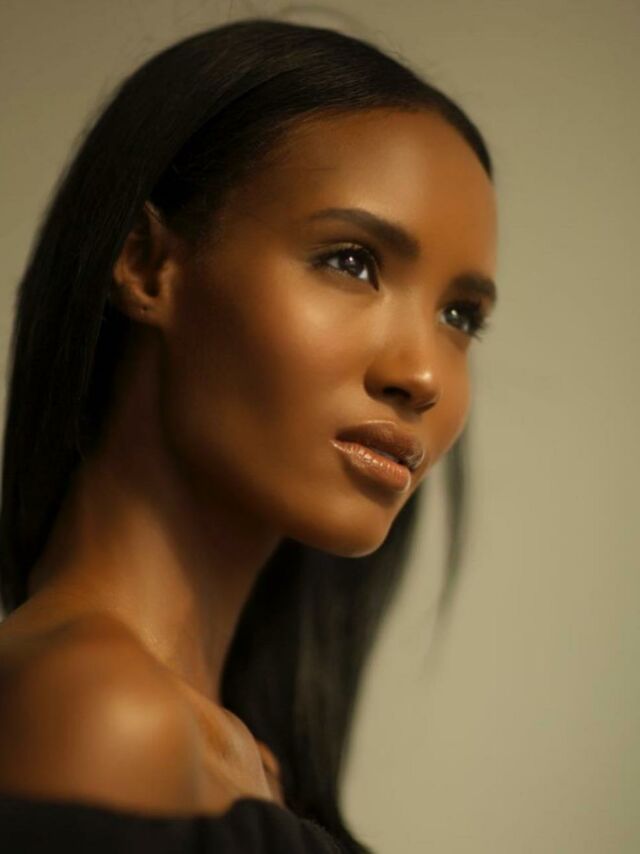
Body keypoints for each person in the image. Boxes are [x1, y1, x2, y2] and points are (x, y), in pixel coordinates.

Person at [0, 16, 497, 854]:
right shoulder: (97, 712)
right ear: (147, 264)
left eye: (460, 316)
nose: (424, 375)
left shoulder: (242, 758)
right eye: (352, 261)